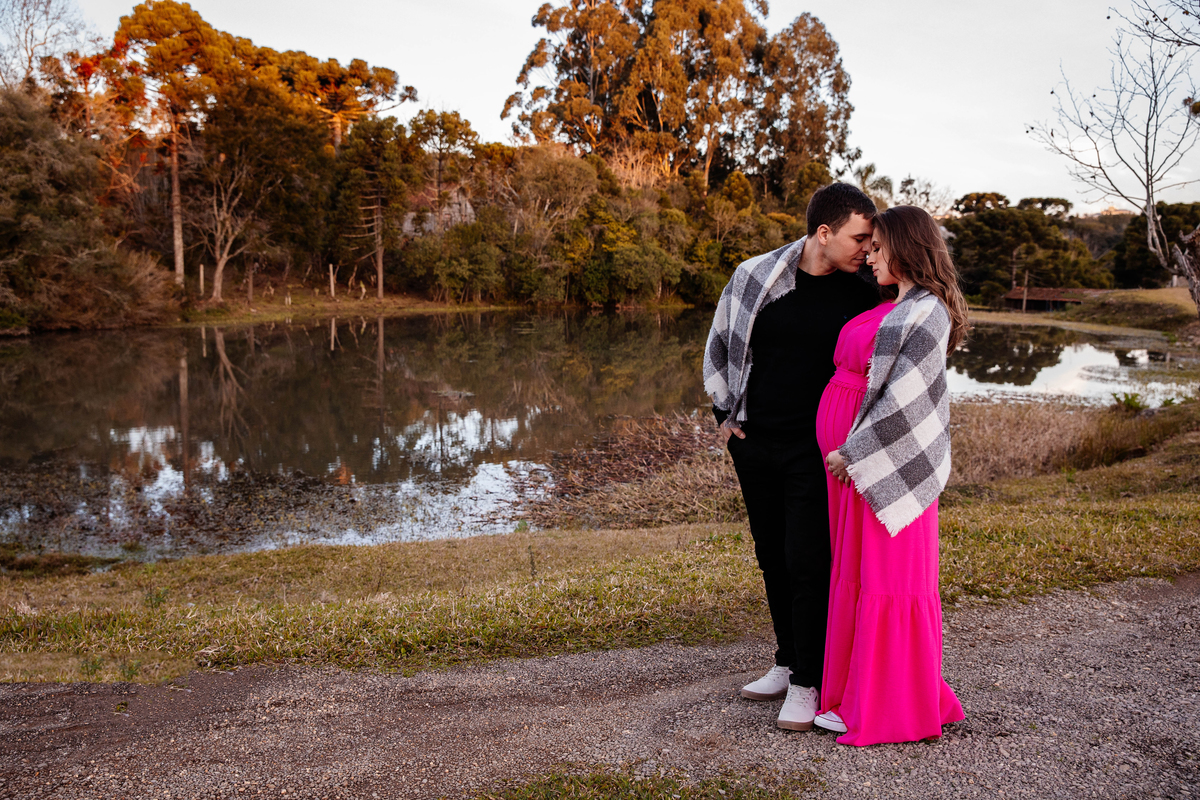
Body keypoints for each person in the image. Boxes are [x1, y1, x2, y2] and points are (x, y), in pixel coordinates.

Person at [703, 183, 881, 731]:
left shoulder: (869, 290)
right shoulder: (758, 276)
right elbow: (722, 342)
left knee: (808, 562)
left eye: (871, 241)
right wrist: (725, 417)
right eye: (859, 238)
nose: (866, 250)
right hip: (755, 442)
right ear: (823, 234)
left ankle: (809, 682)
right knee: (772, 556)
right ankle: (787, 659)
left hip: (820, 449)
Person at [815, 205, 968, 745]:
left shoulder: (928, 311)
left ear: (905, 248)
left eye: (878, 247)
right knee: (863, 576)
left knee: (890, 579)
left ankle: (888, 709)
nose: (870, 256)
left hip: (889, 467)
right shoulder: (901, 305)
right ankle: (860, 694)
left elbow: (904, 400)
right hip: (865, 467)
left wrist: (852, 453)